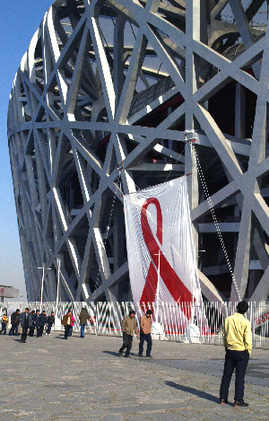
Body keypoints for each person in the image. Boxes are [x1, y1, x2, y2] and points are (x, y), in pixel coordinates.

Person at [219, 301, 252, 407]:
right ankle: (238, 400)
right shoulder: (246, 322)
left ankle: (223, 398)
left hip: (230, 350)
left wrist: (226, 347)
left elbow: (224, 334)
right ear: (246, 310)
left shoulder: (228, 319)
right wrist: (248, 351)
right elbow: (248, 339)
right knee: (240, 377)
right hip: (241, 351)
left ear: (237, 308)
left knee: (226, 376)